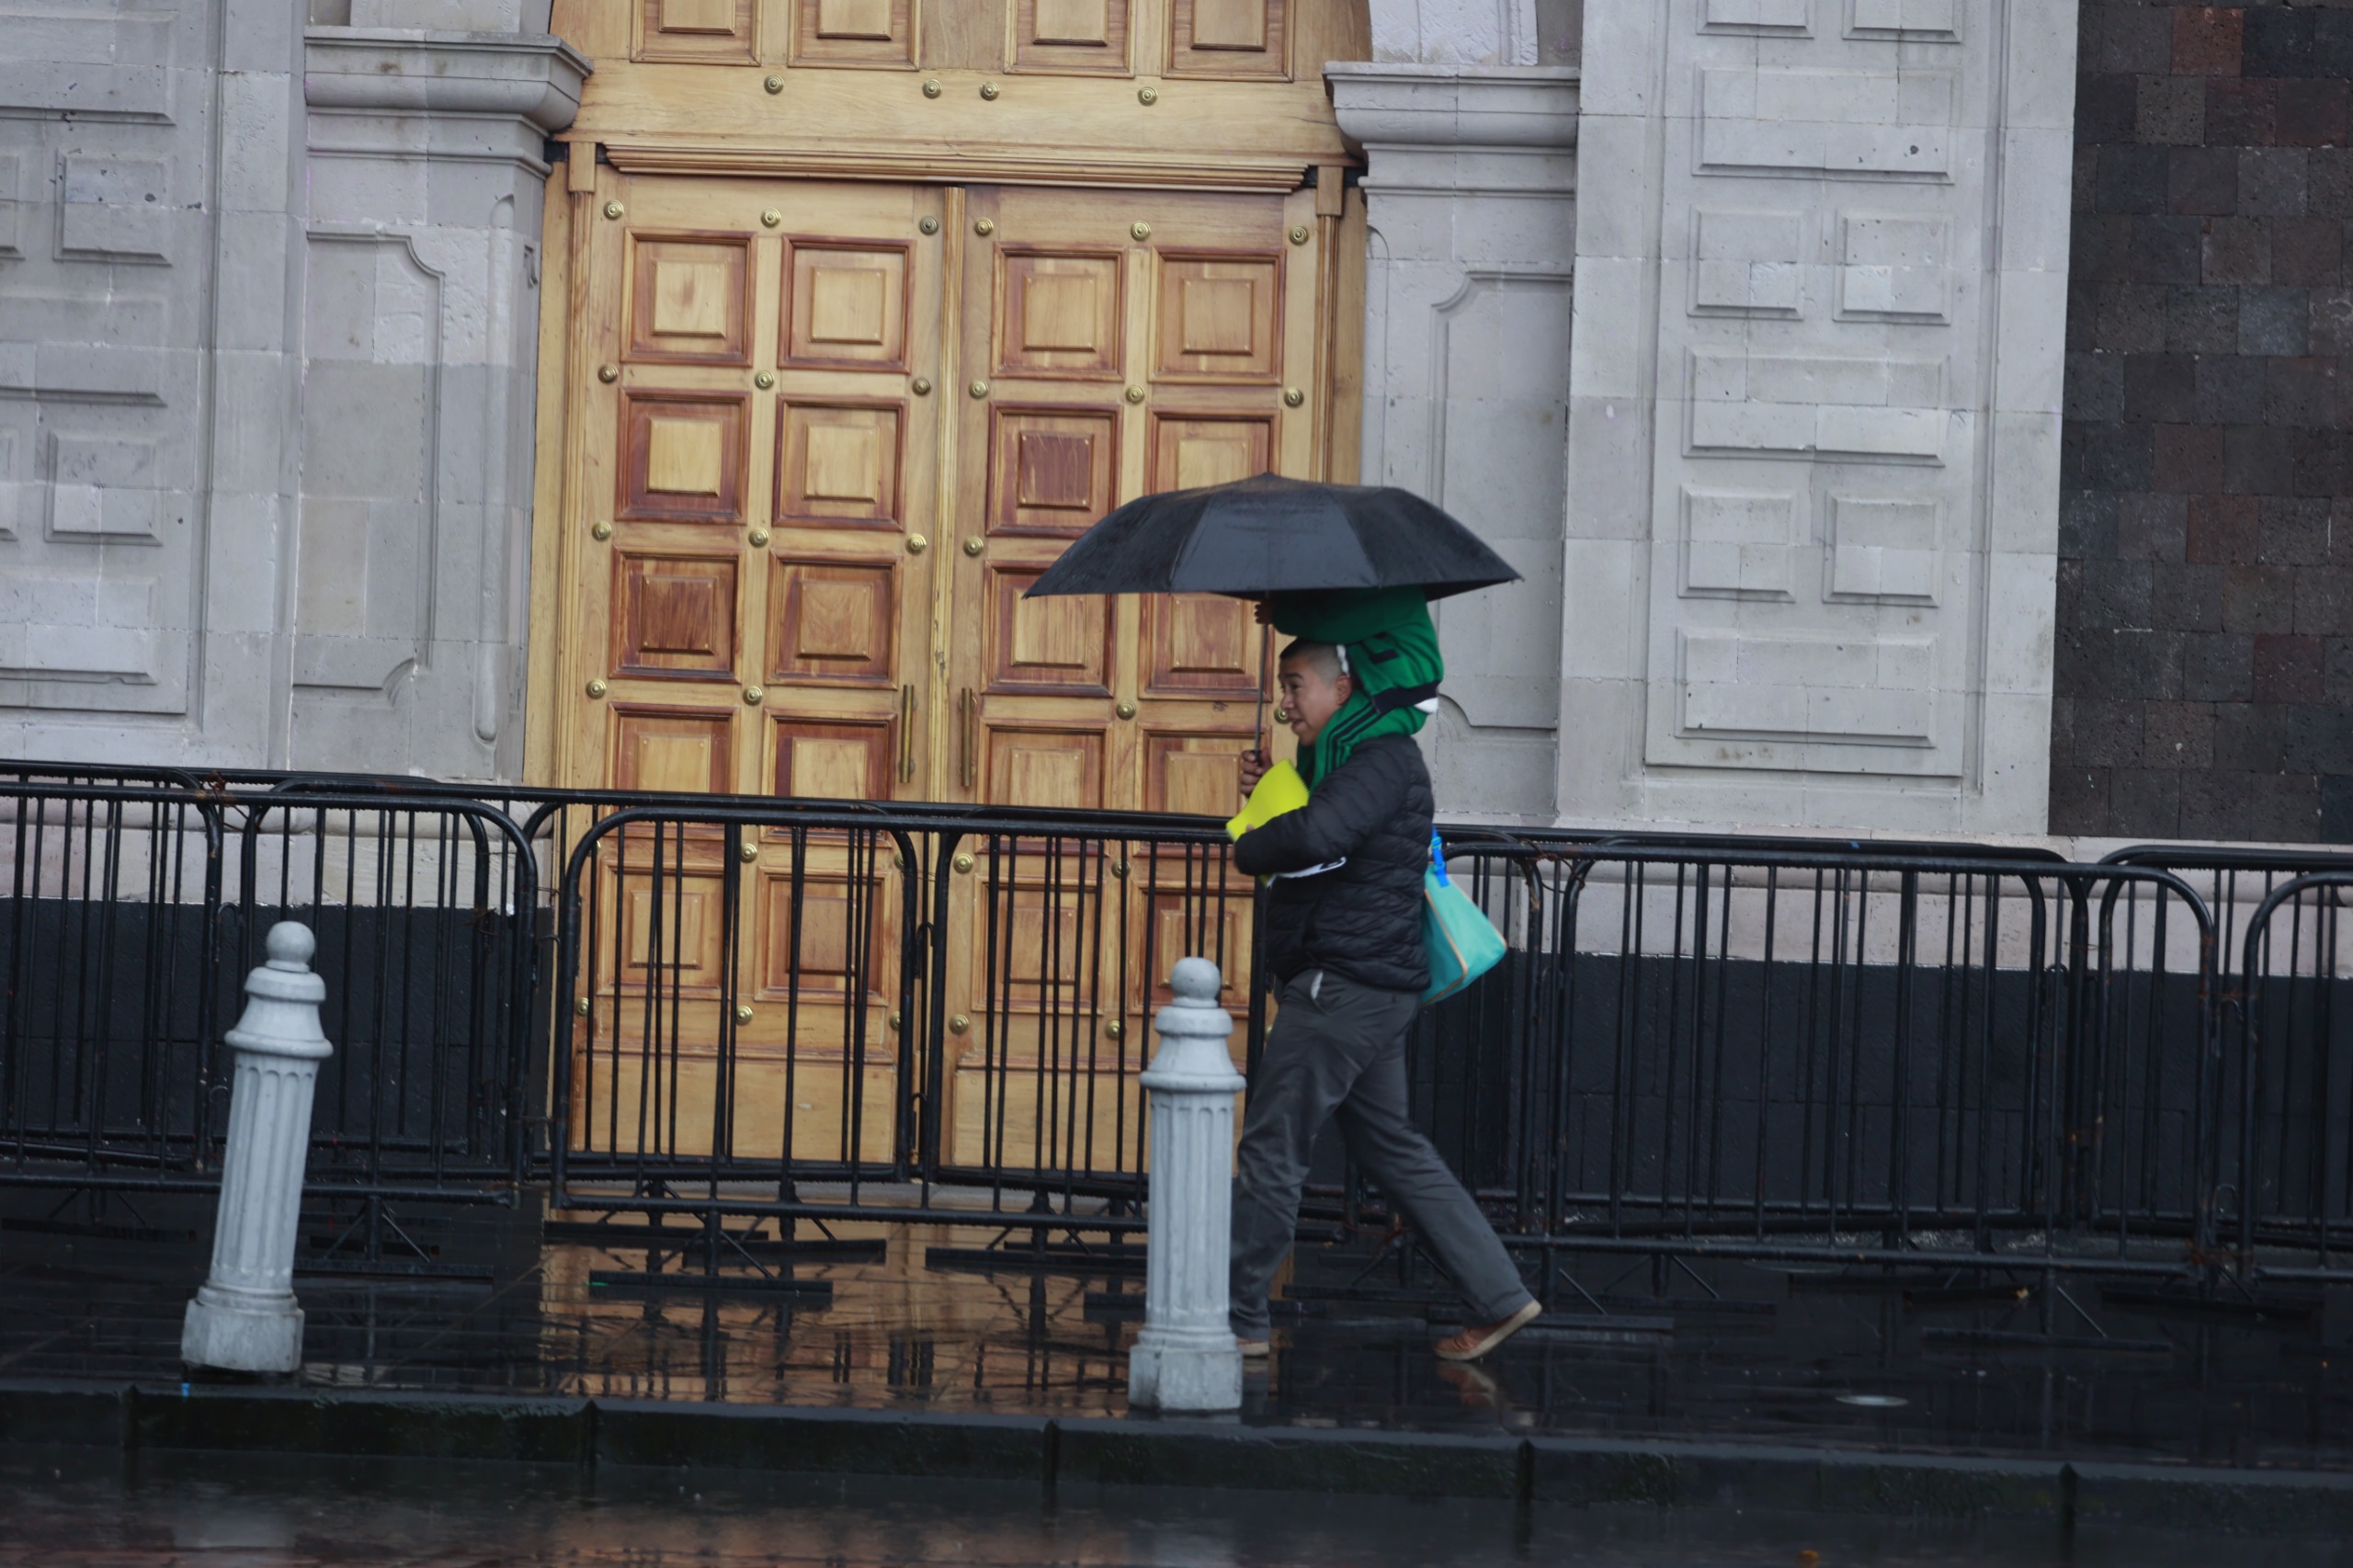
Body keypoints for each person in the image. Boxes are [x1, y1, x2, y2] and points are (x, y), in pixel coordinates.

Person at [1227, 603, 1541, 1363]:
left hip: (1343, 988)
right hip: (1367, 984)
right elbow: (1326, 827)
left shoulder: (1381, 759)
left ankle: (1233, 1320)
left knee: (1274, 1145)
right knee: (1392, 1147)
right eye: (1282, 686)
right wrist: (1276, 784)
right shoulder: (1351, 759)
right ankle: (1501, 1297)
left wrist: (1247, 841)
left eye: (1296, 684)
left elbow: (1317, 838)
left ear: (1344, 687)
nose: (1285, 701)